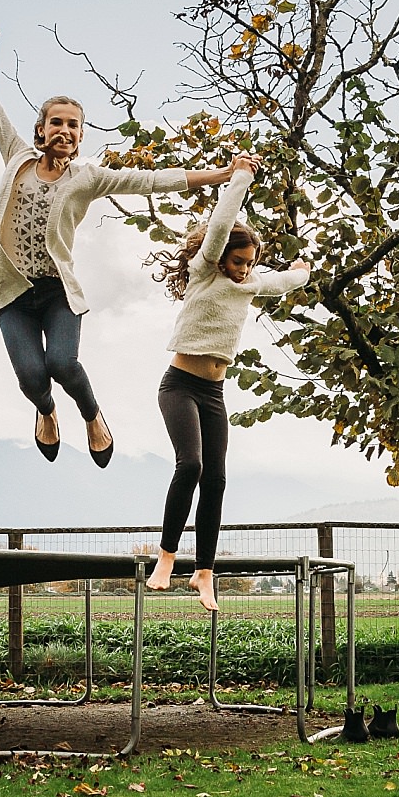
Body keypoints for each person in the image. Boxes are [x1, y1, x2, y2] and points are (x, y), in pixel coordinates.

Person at [0, 19, 250, 466]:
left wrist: (221, 174)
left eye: (74, 126)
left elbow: (150, 181)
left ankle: (92, 416)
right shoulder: (16, 156)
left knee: (63, 363)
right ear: (41, 130)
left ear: (81, 136)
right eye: (56, 123)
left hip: (57, 292)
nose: (64, 131)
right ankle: (46, 412)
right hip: (12, 292)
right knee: (30, 378)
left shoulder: (89, 177)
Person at [142, 159, 310, 610]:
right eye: (238, 261)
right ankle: (166, 555)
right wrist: (241, 178)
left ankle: (204, 573)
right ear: (221, 256)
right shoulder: (204, 271)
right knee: (191, 465)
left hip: (214, 393)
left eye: (250, 264)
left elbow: (283, 283)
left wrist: (303, 270)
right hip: (179, 386)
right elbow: (221, 223)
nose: (243, 270)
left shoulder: (250, 283)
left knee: (216, 479)